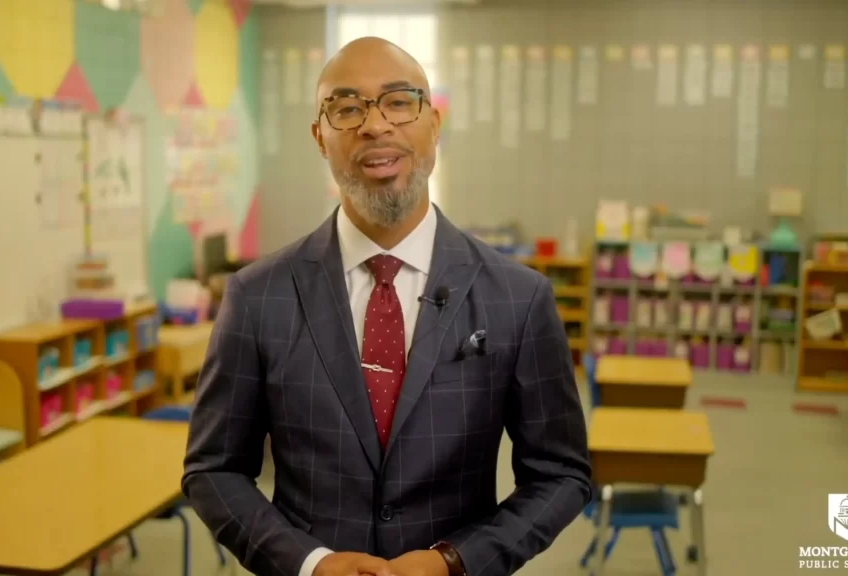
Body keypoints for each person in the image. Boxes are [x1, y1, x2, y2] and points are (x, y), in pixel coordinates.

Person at [183, 37, 592, 576]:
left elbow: (561, 475)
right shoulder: (258, 296)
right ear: (320, 137)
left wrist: (456, 561)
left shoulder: (518, 297)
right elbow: (213, 470)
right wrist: (309, 563)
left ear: (434, 125)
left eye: (399, 102)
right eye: (346, 108)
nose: (375, 125)